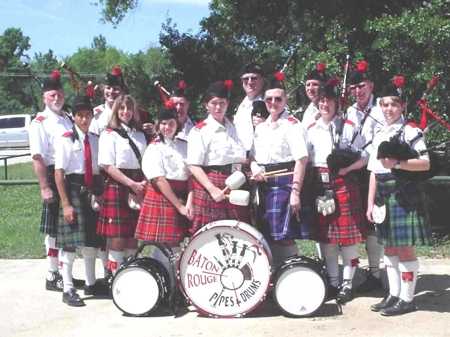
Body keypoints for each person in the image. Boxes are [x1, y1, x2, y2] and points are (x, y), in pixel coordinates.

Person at [367, 79, 431, 316]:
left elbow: (425, 163)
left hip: (404, 192)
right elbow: (373, 171)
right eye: (384, 105)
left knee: (404, 249)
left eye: (394, 104)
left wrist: (397, 163)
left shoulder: (411, 131)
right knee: (389, 249)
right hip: (383, 193)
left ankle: (407, 298)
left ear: (402, 106)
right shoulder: (379, 133)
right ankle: (394, 294)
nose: (389, 109)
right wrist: (370, 203)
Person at [305, 81, 369, 303]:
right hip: (320, 186)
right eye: (321, 101)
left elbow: (364, 157)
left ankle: (348, 284)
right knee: (328, 239)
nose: (324, 104)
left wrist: (347, 169)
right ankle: (333, 282)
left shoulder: (349, 126)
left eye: (328, 101)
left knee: (348, 240)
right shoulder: (310, 129)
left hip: (343, 183)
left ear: (336, 104)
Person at [250, 72, 309, 266]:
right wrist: (255, 168)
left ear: (285, 100)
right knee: (266, 232)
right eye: (269, 99)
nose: (273, 103)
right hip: (263, 185)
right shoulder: (261, 128)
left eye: (278, 99)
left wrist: (295, 192)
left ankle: (293, 271)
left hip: (285, 182)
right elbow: (253, 157)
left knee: (284, 235)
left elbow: (301, 160)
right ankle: (275, 274)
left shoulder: (292, 125)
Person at [54, 95, 106, 306]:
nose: (84, 120)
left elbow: (99, 170)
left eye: (87, 116)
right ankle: (67, 288)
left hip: (92, 191)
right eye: (80, 116)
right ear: (74, 117)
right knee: (69, 245)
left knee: (92, 242)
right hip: (73, 191)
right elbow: (58, 174)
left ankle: (91, 283)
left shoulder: (95, 139)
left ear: (92, 117)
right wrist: (66, 204)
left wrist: (100, 193)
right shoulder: (65, 139)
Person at [135, 107, 193, 289]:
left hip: (183, 196)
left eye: (171, 123)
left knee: (177, 244)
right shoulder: (153, 148)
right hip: (162, 196)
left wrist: (189, 203)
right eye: (164, 123)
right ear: (158, 126)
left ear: (178, 125)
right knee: (162, 245)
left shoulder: (185, 145)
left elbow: (192, 175)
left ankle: (175, 286)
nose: (167, 127)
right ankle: (160, 284)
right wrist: (180, 207)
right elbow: (159, 180)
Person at [29, 70, 74, 292]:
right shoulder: (40, 122)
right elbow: (37, 157)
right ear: (44, 97)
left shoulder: (67, 118)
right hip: (51, 174)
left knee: (63, 227)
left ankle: (63, 273)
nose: (56, 98)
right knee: (53, 230)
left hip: (67, 175)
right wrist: (44, 187)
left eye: (59, 94)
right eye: (52, 95)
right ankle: (52, 273)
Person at [187, 80, 250, 234]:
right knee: (210, 234)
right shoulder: (199, 131)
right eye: (213, 103)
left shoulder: (234, 127)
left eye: (222, 103)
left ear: (227, 104)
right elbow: (193, 165)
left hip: (237, 181)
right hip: (213, 183)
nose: (218, 107)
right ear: (206, 105)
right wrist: (212, 189)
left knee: (237, 231)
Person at [346, 60, 386, 292]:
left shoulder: (381, 108)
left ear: (370, 85)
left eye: (361, 86)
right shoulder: (350, 111)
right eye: (354, 88)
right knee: (354, 222)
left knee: (374, 222)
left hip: (374, 170)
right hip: (355, 172)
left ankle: (375, 273)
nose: (358, 91)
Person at [96, 94, 147, 276]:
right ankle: (114, 277)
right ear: (116, 110)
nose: (126, 112)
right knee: (117, 237)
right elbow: (107, 166)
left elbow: (146, 162)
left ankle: (130, 275)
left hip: (138, 184)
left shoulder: (141, 134)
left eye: (129, 108)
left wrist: (142, 183)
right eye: (122, 108)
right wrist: (131, 184)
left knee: (133, 236)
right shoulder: (108, 134)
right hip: (118, 185)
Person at [233, 63, 265, 154]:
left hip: (261, 157)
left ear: (262, 80)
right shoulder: (241, 105)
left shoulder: (271, 103)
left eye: (254, 78)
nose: (250, 82)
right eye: (246, 79)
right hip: (242, 156)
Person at [89, 65, 126, 136]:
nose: (111, 92)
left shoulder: (128, 112)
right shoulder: (95, 114)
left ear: (122, 91)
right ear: (103, 90)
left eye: (115, 89)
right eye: (108, 88)